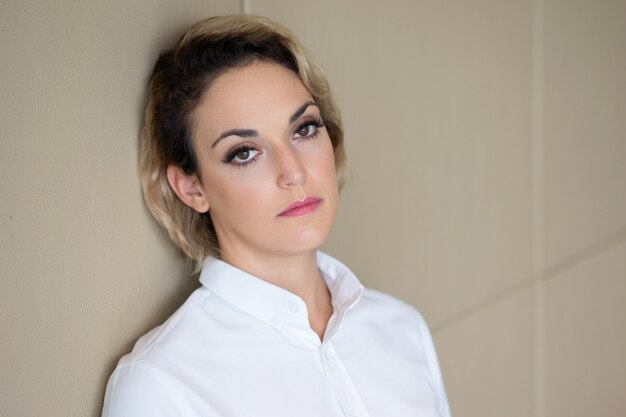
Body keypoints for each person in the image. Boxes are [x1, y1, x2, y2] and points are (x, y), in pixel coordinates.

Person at [102, 14, 451, 417]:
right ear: (191, 187)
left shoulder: (402, 329)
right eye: (244, 152)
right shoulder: (162, 386)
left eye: (303, 129)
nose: (295, 172)